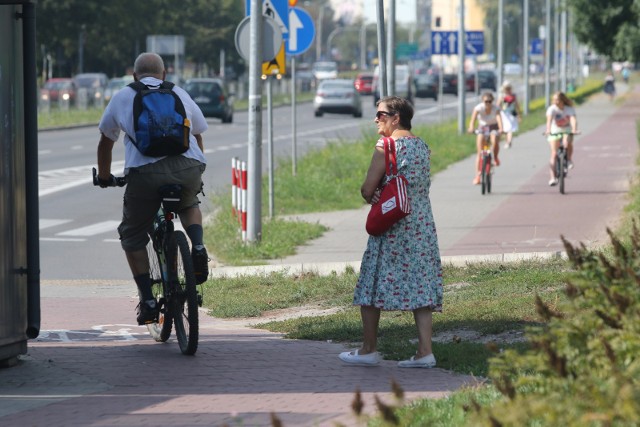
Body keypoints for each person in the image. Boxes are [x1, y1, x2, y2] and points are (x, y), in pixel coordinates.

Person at [96, 52, 210, 325]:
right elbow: (197, 133)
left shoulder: (124, 96)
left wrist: (103, 176)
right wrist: (196, 170)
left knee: (132, 235)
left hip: (145, 175)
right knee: (189, 203)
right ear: (165, 74)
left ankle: (148, 300)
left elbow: (105, 141)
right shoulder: (179, 92)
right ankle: (198, 245)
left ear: (134, 75)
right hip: (189, 167)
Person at [338, 96, 443, 368]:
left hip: (393, 227)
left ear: (397, 118)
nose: (376, 119)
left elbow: (367, 189)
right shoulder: (422, 146)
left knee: (372, 283)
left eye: (382, 115)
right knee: (420, 285)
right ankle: (425, 351)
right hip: (421, 224)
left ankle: (368, 349)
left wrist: (375, 200)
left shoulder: (386, 145)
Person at [467, 92, 504, 185]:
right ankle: (477, 176)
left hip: (493, 127)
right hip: (482, 127)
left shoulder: (496, 109)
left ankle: (495, 157)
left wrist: (501, 129)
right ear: (483, 101)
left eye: (490, 101)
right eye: (486, 101)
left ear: (492, 101)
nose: (488, 103)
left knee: (494, 139)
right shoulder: (479, 108)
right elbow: (473, 120)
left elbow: (499, 119)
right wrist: (471, 127)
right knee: (480, 152)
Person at [544, 91, 579, 186]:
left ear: (562, 100)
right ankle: (552, 178)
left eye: (557, 100)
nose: (555, 102)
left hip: (566, 129)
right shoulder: (551, 109)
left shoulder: (569, 109)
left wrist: (575, 129)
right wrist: (548, 130)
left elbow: (573, 120)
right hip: (555, 129)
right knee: (554, 153)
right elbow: (549, 120)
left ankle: (568, 159)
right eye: (554, 100)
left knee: (567, 143)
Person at [496, 81, 521, 149]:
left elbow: (497, 105)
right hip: (510, 113)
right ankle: (508, 141)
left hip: (505, 113)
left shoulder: (502, 96)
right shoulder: (512, 96)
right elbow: (517, 105)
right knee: (507, 129)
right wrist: (519, 114)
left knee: (508, 129)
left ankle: (508, 141)